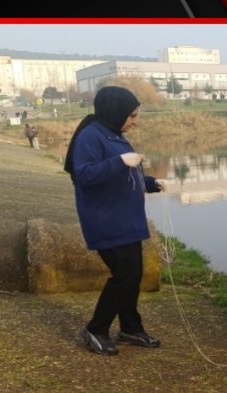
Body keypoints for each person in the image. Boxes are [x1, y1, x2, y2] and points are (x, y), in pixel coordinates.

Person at [64, 85, 166, 356]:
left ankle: (131, 328)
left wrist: (151, 183)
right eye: (131, 116)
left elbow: (127, 175)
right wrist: (120, 162)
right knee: (124, 276)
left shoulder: (114, 135)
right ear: (116, 111)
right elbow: (85, 175)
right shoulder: (91, 136)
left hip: (127, 221)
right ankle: (96, 329)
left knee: (133, 276)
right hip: (106, 220)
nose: (134, 121)